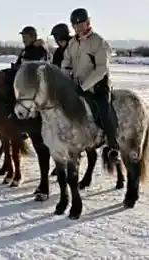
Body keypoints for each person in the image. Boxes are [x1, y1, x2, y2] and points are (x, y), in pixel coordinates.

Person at [61, 8, 120, 162]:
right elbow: (66, 62)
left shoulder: (98, 42)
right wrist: (65, 77)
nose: (78, 27)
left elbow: (101, 68)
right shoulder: (72, 43)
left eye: (81, 24)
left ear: (88, 23)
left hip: (97, 85)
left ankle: (113, 145)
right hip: (77, 84)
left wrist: (85, 86)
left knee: (104, 109)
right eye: (75, 25)